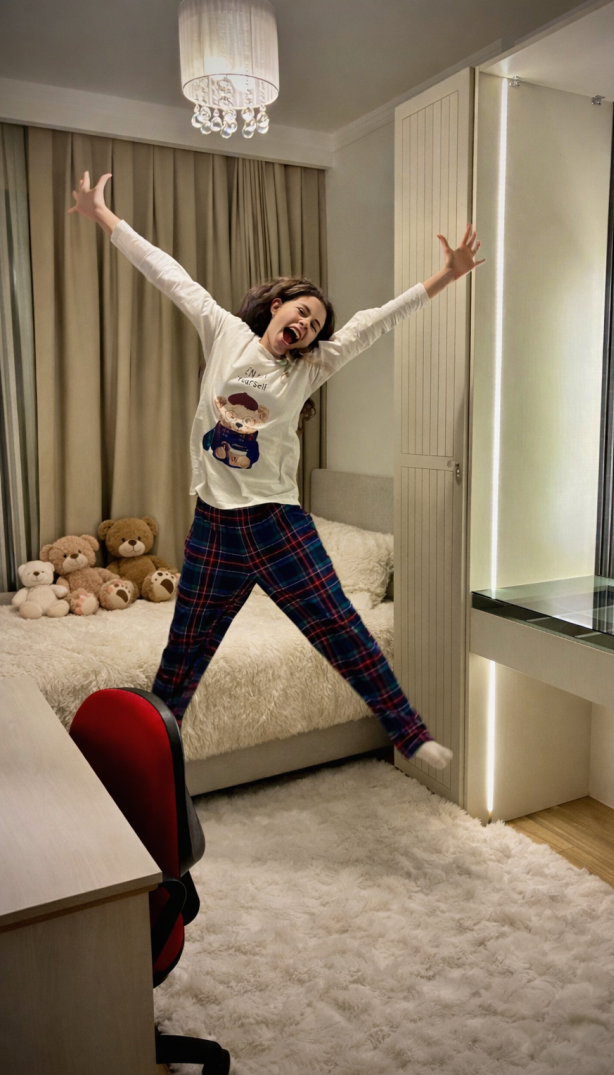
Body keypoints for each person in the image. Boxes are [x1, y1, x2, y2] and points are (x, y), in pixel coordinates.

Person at [68, 171, 484, 770]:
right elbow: (166, 271)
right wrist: (102, 214)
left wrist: (446, 276)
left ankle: (411, 734)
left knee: (338, 625)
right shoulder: (225, 333)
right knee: (184, 649)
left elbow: (375, 321)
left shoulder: (309, 368)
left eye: (315, 325)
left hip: (276, 525)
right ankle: (144, 763)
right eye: (302, 313)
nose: (307, 325)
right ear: (276, 306)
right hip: (214, 527)